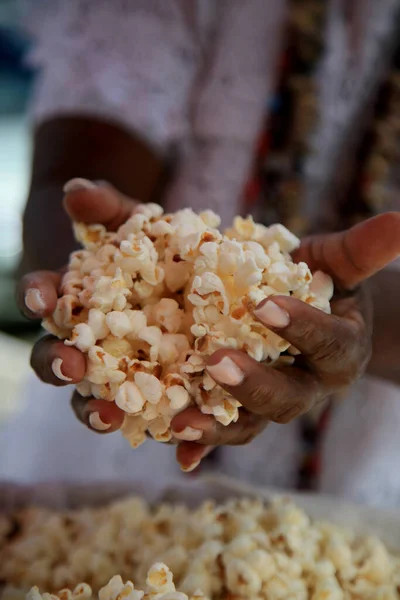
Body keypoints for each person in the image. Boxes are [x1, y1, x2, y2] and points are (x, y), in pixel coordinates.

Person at [1, 0, 400, 505]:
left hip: (369, 471)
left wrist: (363, 319)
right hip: (117, 458)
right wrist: (83, 283)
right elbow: (72, 174)